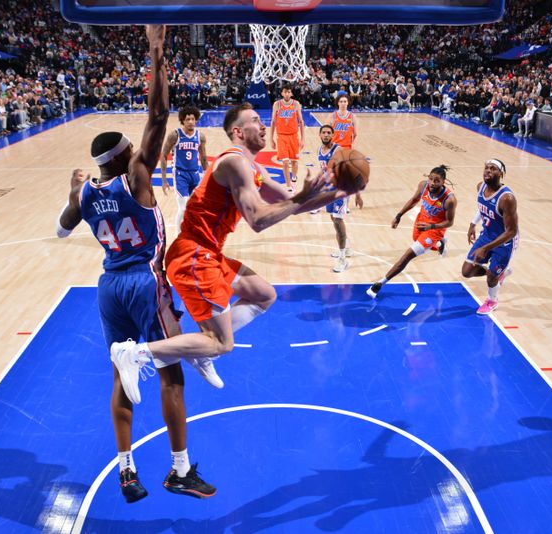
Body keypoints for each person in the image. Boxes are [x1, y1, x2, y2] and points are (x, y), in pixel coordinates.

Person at [56, 26, 218, 504]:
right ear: (126, 155)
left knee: (121, 373)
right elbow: (160, 113)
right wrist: (156, 49)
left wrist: (74, 190)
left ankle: (127, 470)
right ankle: (179, 469)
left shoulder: (83, 192)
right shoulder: (137, 178)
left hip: (108, 288)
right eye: (132, 146)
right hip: (148, 283)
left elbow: (62, 229)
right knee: (170, 374)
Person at [110, 102, 352, 413]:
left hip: (207, 254)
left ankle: (202, 352)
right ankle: (135, 353)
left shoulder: (252, 168)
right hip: (193, 256)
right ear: (237, 132)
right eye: (255, 121)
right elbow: (258, 220)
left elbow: (291, 201)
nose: (264, 125)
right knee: (223, 343)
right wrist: (304, 197)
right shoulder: (234, 162)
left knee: (264, 294)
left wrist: (340, 193)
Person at [367, 165, 456, 298]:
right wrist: (399, 215)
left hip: (434, 229)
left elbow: (450, 222)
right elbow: (414, 200)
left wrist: (430, 227)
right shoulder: (423, 186)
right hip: (421, 220)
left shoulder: (449, 200)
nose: (432, 183)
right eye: (431, 179)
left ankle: (380, 284)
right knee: (416, 240)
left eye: (436, 180)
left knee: (408, 255)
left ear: (443, 182)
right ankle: (439, 244)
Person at [462, 159, 519, 315]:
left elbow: (511, 231)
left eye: (493, 168)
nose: (488, 170)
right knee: (467, 272)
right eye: (486, 168)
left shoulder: (507, 199)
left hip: (505, 242)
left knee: (491, 278)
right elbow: (483, 208)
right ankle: (497, 273)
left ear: (501, 174)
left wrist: (486, 248)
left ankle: (492, 300)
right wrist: (472, 224)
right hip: (487, 235)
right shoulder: (480, 187)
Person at [316, 125, 363, 272]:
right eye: (323, 132)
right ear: (319, 135)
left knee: (337, 220)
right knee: (333, 218)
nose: (326, 135)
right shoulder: (320, 150)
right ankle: (347, 248)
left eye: (329, 133)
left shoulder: (338, 150)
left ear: (333, 135)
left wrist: (358, 193)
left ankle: (343, 260)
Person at [160, 105, 208, 235]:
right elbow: (164, 156)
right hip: (180, 174)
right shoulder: (175, 135)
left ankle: (194, 232)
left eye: (193, 119)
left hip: (194, 174)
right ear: (183, 120)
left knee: (196, 207)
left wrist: (206, 176)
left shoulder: (200, 136)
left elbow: (203, 158)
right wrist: (164, 180)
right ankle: (178, 236)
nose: (191, 122)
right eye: (188, 119)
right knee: (183, 207)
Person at [270, 85, 305, 192]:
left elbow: (301, 121)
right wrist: (271, 138)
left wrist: (303, 139)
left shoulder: (295, 104)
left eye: (289, 92)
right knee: (285, 162)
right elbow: (273, 122)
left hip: (294, 136)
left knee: (294, 161)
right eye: (285, 92)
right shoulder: (277, 104)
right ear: (282, 93)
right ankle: (288, 184)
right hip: (281, 136)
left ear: (291, 93)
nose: (287, 94)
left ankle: (294, 178)